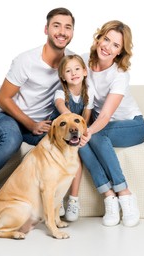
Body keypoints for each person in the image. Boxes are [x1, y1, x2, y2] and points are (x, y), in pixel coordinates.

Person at [0, 7, 75, 224]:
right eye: (56, 26)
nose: (62, 31)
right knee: (12, 141)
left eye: (67, 27)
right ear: (46, 29)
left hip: (41, 123)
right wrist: (30, 124)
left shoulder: (70, 62)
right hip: (7, 117)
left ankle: (55, 199)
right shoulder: (26, 60)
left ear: (72, 33)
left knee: (64, 141)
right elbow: (2, 98)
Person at [79, 20, 144, 227]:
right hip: (101, 124)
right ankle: (108, 196)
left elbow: (106, 115)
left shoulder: (120, 74)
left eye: (115, 45)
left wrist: (88, 131)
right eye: (106, 39)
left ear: (120, 52)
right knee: (77, 143)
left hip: (132, 126)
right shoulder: (82, 62)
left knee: (95, 134)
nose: (107, 47)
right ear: (98, 38)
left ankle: (125, 194)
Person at [50, 54, 94, 222]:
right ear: (62, 76)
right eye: (68, 71)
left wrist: (81, 133)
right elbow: (61, 107)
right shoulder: (60, 93)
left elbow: (86, 116)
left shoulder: (89, 93)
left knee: (77, 159)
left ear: (84, 71)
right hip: (61, 134)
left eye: (77, 69)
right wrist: (72, 122)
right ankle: (58, 198)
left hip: (76, 134)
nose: (73, 73)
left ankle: (73, 200)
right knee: (55, 158)